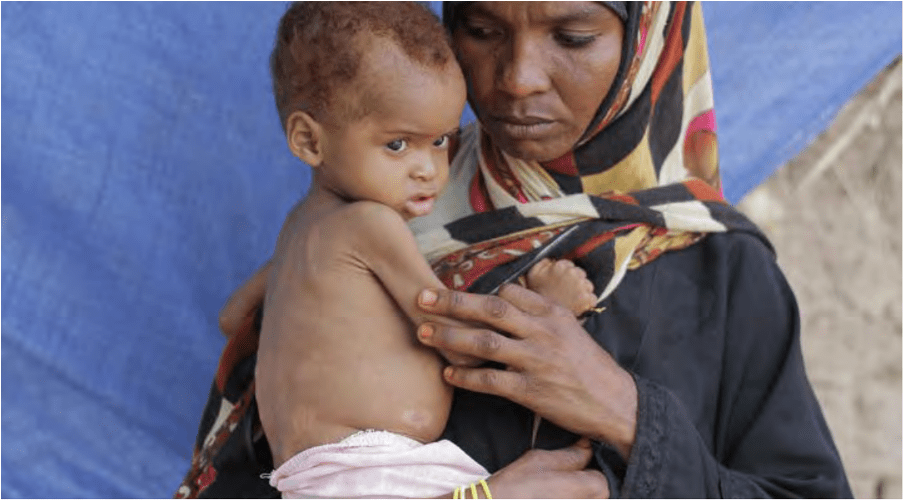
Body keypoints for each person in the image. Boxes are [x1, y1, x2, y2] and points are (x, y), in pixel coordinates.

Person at [177, 2, 853, 498]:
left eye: (573, 36)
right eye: (481, 30)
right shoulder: (376, 209)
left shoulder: (721, 273)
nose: (518, 77)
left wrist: (628, 414)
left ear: (645, 41)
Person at [249, 3, 600, 498]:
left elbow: (233, 318)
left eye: (440, 142)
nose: (429, 170)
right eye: (398, 145)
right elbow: (452, 338)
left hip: (309, 474)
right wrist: (549, 307)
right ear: (309, 140)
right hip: (369, 471)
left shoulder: (296, 230)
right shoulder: (371, 224)